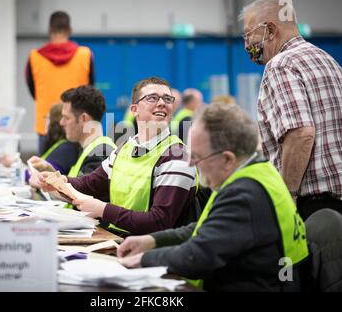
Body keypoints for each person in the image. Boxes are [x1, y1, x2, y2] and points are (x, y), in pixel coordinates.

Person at [118, 103, 309, 292]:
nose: (191, 163)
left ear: (227, 159)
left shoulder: (244, 195)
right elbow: (209, 227)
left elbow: (197, 257)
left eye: (198, 157)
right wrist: (152, 240)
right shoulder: (258, 172)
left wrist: (143, 259)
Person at [240, 0, 342, 232]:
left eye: (248, 35)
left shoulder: (280, 65)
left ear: (270, 29)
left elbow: (300, 133)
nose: (246, 45)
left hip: (317, 209)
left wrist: (287, 196)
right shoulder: (328, 60)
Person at [39, 77, 197, 235]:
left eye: (167, 99)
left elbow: (159, 222)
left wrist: (103, 210)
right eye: (152, 98)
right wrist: (61, 181)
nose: (162, 102)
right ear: (134, 110)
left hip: (149, 251)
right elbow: (91, 183)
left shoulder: (177, 157)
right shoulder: (125, 149)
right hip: (119, 241)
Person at [25, 11, 95, 155]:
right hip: (77, 125)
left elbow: (34, 91)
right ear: (70, 30)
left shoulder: (34, 57)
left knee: (45, 172)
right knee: (78, 175)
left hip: (47, 126)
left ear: (49, 30)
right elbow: (90, 91)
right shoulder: (85, 54)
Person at [29, 85, 116, 188]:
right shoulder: (88, 148)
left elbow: (80, 194)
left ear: (84, 118)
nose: (61, 123)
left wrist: (43, 183)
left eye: (66, 118)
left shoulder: (100, 153)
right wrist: (49, 170)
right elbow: (75, 184)